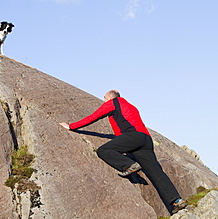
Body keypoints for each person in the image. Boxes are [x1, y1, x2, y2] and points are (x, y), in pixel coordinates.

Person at [59, 90, 187, 214]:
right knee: (156, 173)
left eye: (104, 98)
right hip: (146, 139)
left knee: (104, 150)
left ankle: (128, 165)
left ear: (109, 97)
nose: (104, 100)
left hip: (133, 136)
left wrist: (71, 126)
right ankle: (177, 200)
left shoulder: (113, 103)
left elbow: (94, 117)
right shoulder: (131, 106)